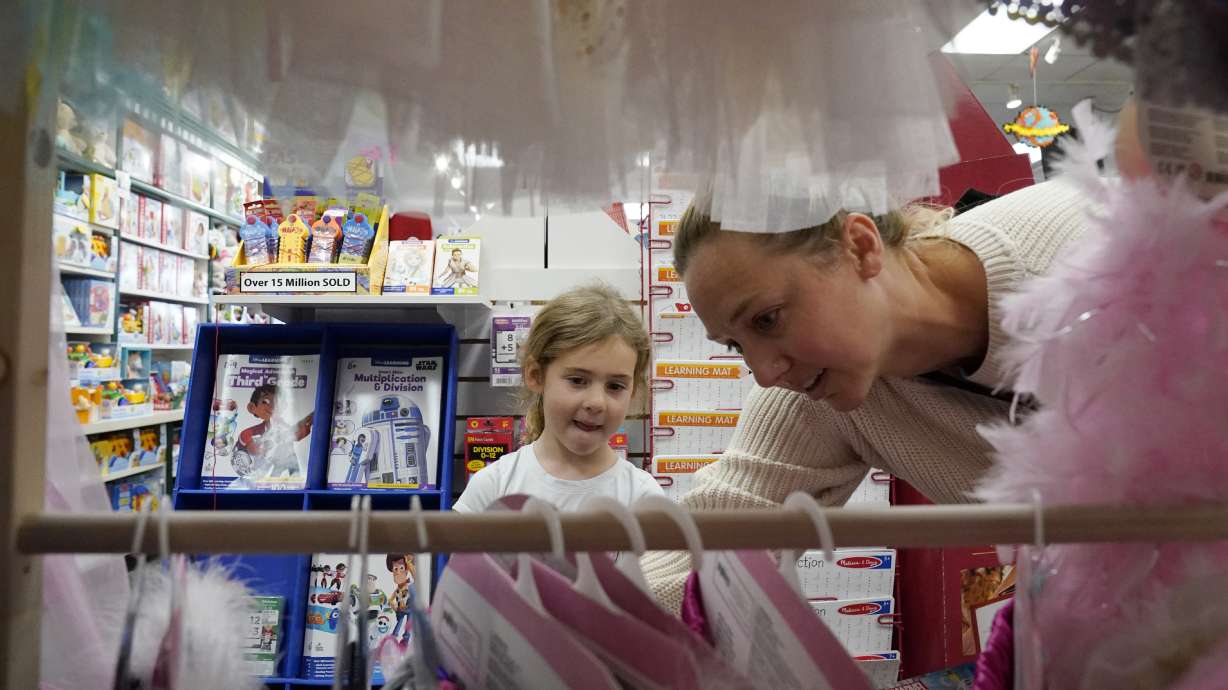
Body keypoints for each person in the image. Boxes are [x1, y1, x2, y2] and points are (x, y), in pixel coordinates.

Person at [641, 179, 1090, 612]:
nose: (763, 372)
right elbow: (715, 545)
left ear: (860, 246)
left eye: (767, 320)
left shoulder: (1089, 242)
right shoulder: (823, 394)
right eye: (736, 347)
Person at [453, 283, 664, 512]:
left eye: (615, 386)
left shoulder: (643, 497)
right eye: (577, 380)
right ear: (535, 375)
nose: (596, 402)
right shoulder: (493, 486)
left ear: (632, 391)